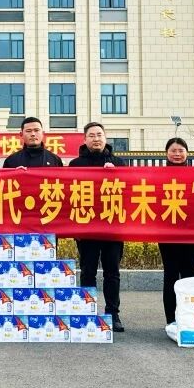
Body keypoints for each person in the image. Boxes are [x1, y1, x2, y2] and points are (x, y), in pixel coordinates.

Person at [68, 122, 126, 332]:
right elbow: (68, 195)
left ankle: (113, 313)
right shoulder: (75, 165)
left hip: (112, 227)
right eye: (91, 135)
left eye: (99, 135)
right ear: (84, 140)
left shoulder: (118, 163)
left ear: (105, 138)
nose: (96, 139)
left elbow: (130, 192)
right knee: (88, 271)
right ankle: (87, 311)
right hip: (87, 228)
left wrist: (115, 175)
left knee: (112, 273)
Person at [159, 138, 194, 327]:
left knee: (189, 275)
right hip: (167, 233)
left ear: (187, 153)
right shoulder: (158, 175)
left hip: (193, 233)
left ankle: (189, 318)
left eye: (181, 150)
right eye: (173, 150)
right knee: (170, 274)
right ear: (166, 153)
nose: (177, 154)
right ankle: (171, 320)